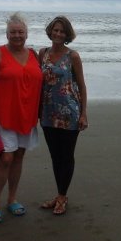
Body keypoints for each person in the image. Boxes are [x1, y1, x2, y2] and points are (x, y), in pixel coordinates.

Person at [0, 12, 43, 224]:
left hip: (27, 116)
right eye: (12, 32)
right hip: (3, 115)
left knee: (18, 157)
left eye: (20, 32)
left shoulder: (35, 55)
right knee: (6, 158)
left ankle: (12, 199)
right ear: (6, 34)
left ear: (26, 34)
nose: (17, 35)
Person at [38, 16, 88, 215]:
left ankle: (62, 196)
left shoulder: (72, 56)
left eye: (62, 31)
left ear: (67, 35)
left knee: (66, 156)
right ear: (50, 31)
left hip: (69, 113)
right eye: (55, 30)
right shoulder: (42, 53)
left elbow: (82, 86)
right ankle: (59, 195)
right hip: (48, 113)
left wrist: (83, 113)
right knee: (54, 156)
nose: (58, 34)